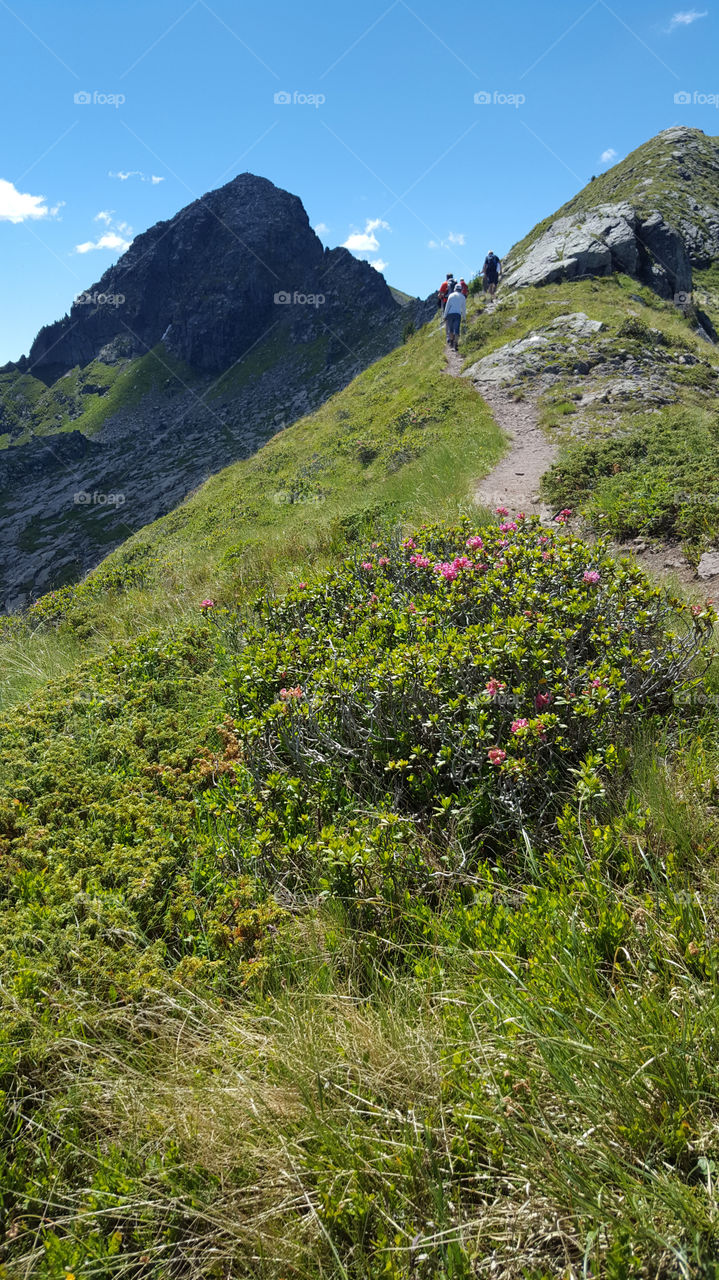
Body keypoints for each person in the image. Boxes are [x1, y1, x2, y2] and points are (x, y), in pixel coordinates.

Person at [443, 283, 466, 351]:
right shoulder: (462, 297)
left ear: (455, 289)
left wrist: (444, 315)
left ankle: (451, 343)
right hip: (457, 314)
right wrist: (464, 318)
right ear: (461, 289)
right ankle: (456, 344)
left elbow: (447, 306)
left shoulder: (451, 295)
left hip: (450, 314)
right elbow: (463, 309)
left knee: (450, 329)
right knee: (457, 329)